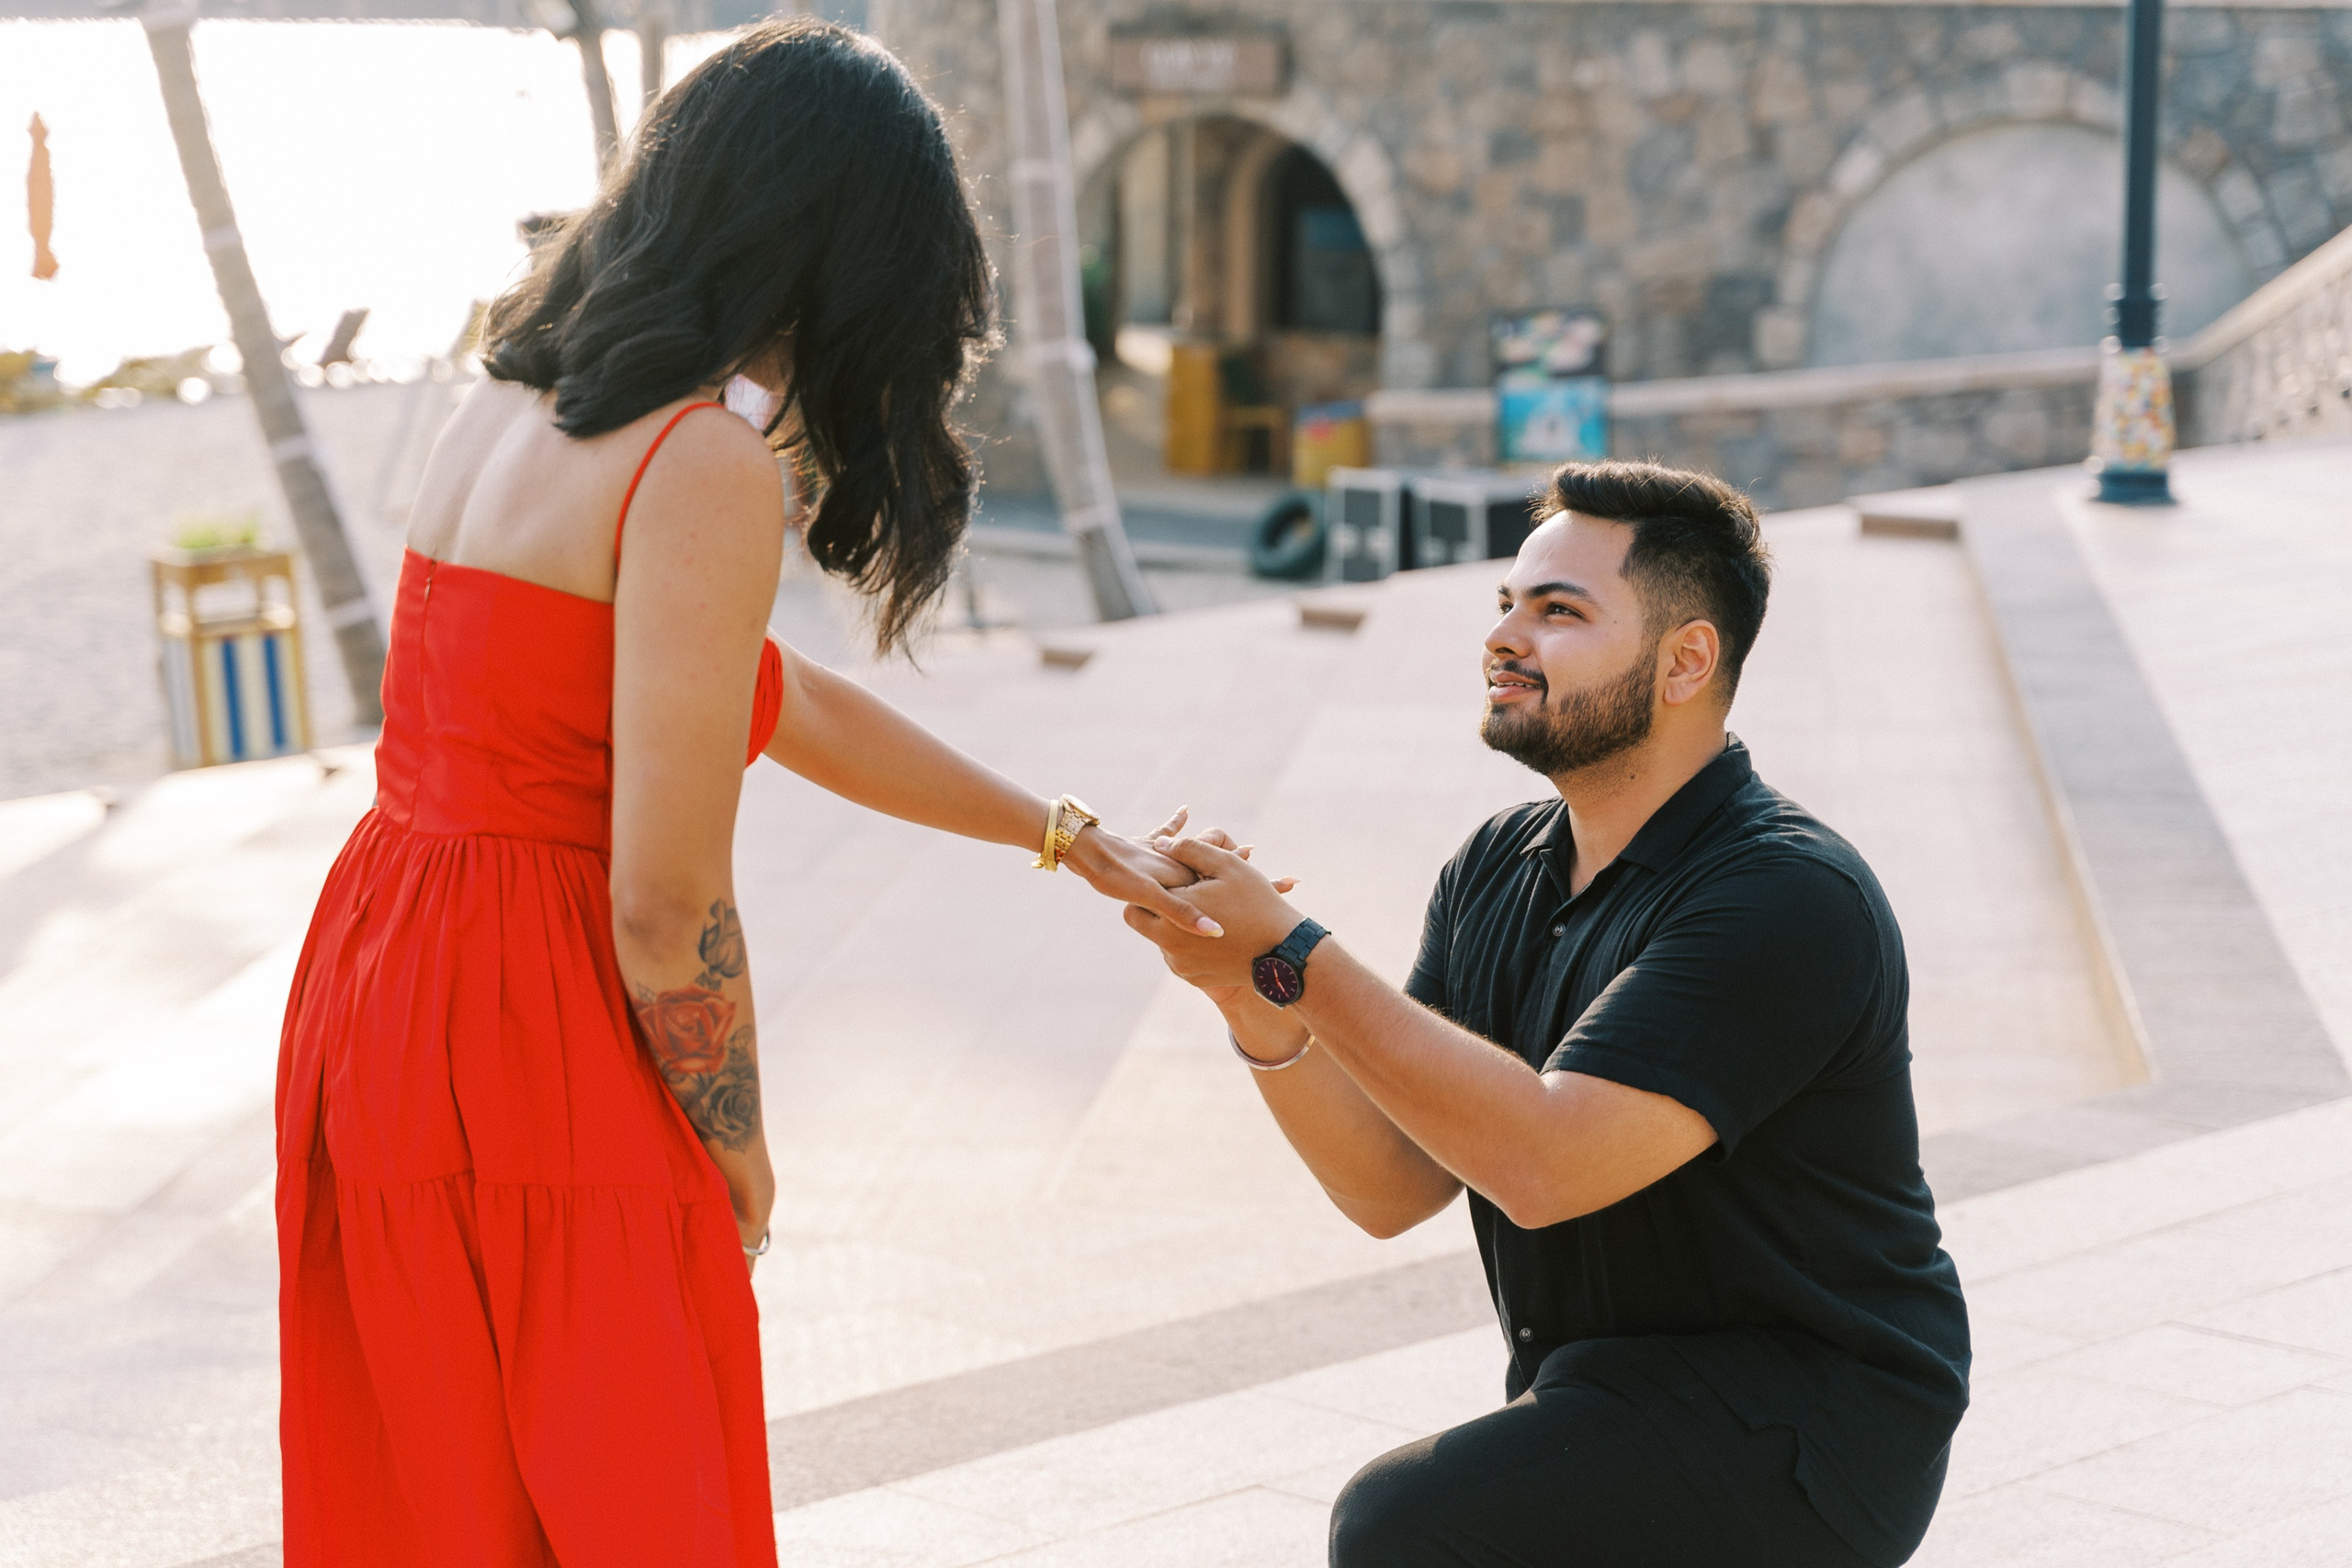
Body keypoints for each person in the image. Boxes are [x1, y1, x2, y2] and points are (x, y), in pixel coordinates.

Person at [274, 22, 1213, 1567]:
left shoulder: (510, 401)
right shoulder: (700, 460)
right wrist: (738, 1143)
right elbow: (663, 899)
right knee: (641, 1501)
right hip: (540, 1018)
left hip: (387, 976)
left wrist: (1063, 832)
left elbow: (784, 701)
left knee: (436, 1497)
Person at [1124, 459, 1970, 1568]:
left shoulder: (1786, 897)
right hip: (1608, 1394)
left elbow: (1543, 1166)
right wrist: (1249, 994)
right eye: (1506, 604)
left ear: (1686, 660)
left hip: (1812, 1420)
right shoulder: (1496, 866)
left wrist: (1293, 953)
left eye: (1558, 610)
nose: (1505, 636)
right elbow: (1392, 1186)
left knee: (1407, 1526)